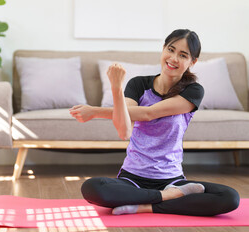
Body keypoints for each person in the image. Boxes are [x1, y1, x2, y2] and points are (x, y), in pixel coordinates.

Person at [69, 29, 240, 216]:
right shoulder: (138, 85)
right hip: (132, 178)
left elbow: (149, 113)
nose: (174, 58)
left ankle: (145, 205)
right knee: (92, 187)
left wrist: (95, 111)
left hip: (171, 179)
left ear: (192, 62)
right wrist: (117, 89)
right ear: (163, 49)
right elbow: (124, 131)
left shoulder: (193, 91)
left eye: (182, 55)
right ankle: (167, 197)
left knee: (229, 197)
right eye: (171, 49)